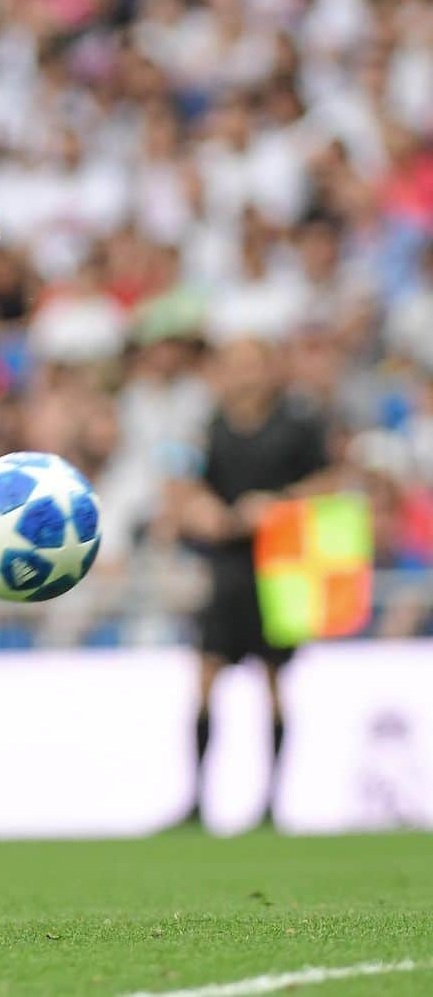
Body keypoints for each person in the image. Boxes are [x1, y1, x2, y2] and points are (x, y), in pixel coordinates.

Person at [171, 336, 331, 827]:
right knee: (205, 678)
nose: (243, 375)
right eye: (234, 365)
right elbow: (186, 483)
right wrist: (202, 509)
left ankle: (272, 804)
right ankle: (196, 802)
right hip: (227, 566)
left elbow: (332, 482)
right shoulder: (213, 427)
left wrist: (278, 504)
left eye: (252, 364)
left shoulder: (297, 425)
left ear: (269, 370)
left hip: (279, 568)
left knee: (275, 681)